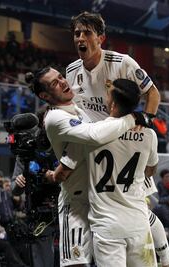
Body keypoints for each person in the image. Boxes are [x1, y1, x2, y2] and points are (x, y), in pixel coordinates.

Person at [67, 11, 169, 267]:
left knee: (140, 206)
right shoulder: (72, 71)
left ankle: (167, 259)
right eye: (76, 34)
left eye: (87, 33)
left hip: (126, 143)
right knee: (88, 206)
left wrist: (145, 123)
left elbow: (153, 94)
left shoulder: (122, 62)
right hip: (95, 145)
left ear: (100, 38)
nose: (80, 38)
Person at [25, 67, 148, 266]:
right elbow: (94, 136)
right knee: (76, 263)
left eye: (61, 77)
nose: (64, 82)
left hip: (99, 200)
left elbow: (83, 146)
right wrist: (131, 118)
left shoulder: (78, 109)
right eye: (55, 83)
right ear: (44, 95)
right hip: (75, 202)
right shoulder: (55, 118)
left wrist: (61, 169)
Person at [53, 79, 159, 266]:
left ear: (112, 103)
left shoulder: (91, 133)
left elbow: (64, 173)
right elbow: (150, 171)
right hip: (139, 222)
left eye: (108, 92)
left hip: (107, 226)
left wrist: (49, 175)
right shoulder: (149, 135)